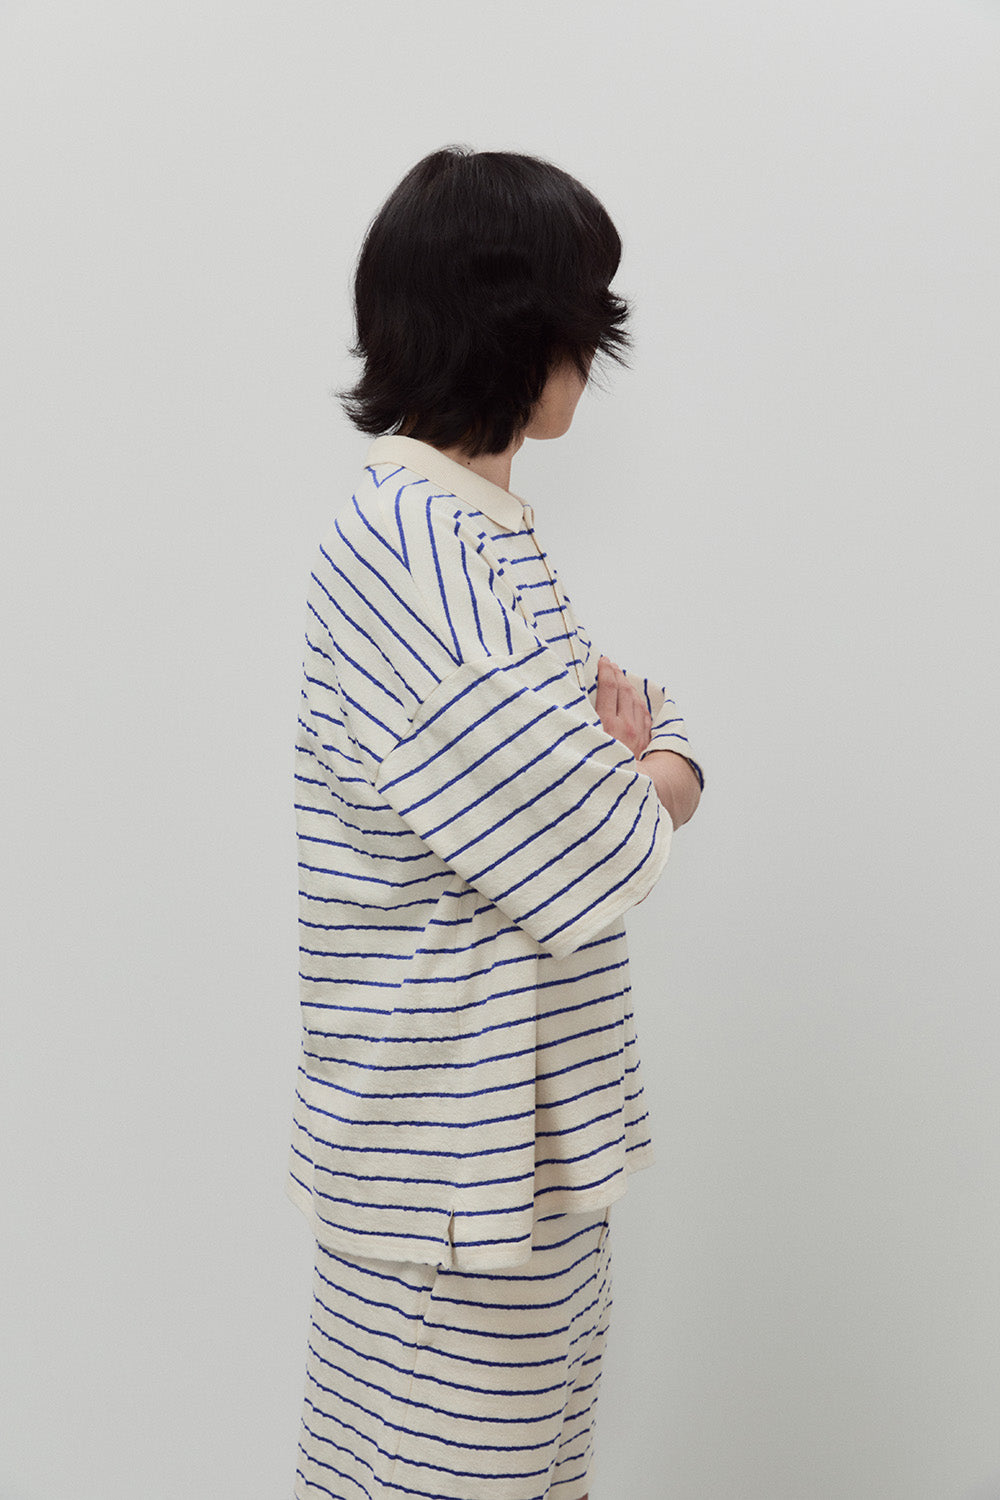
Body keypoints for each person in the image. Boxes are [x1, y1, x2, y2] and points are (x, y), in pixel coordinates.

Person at [288, 145, 704, 1500]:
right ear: (513, 325)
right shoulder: (410, 544)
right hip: (448, 1162)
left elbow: (617, 745)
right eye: (583, 311)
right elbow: (588, 828)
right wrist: (658, 777)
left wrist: (632, 761)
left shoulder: (477, 527)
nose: (597, 346)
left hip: (511, 1146)